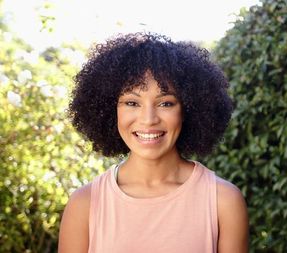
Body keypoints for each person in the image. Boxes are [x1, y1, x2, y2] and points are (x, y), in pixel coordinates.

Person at [58, 32, 249, 253]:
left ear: (188, 110)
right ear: (111, 111)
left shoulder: (223, 201)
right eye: (132, 102)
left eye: (166, 103)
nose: (148, 119)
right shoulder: (85, 204)